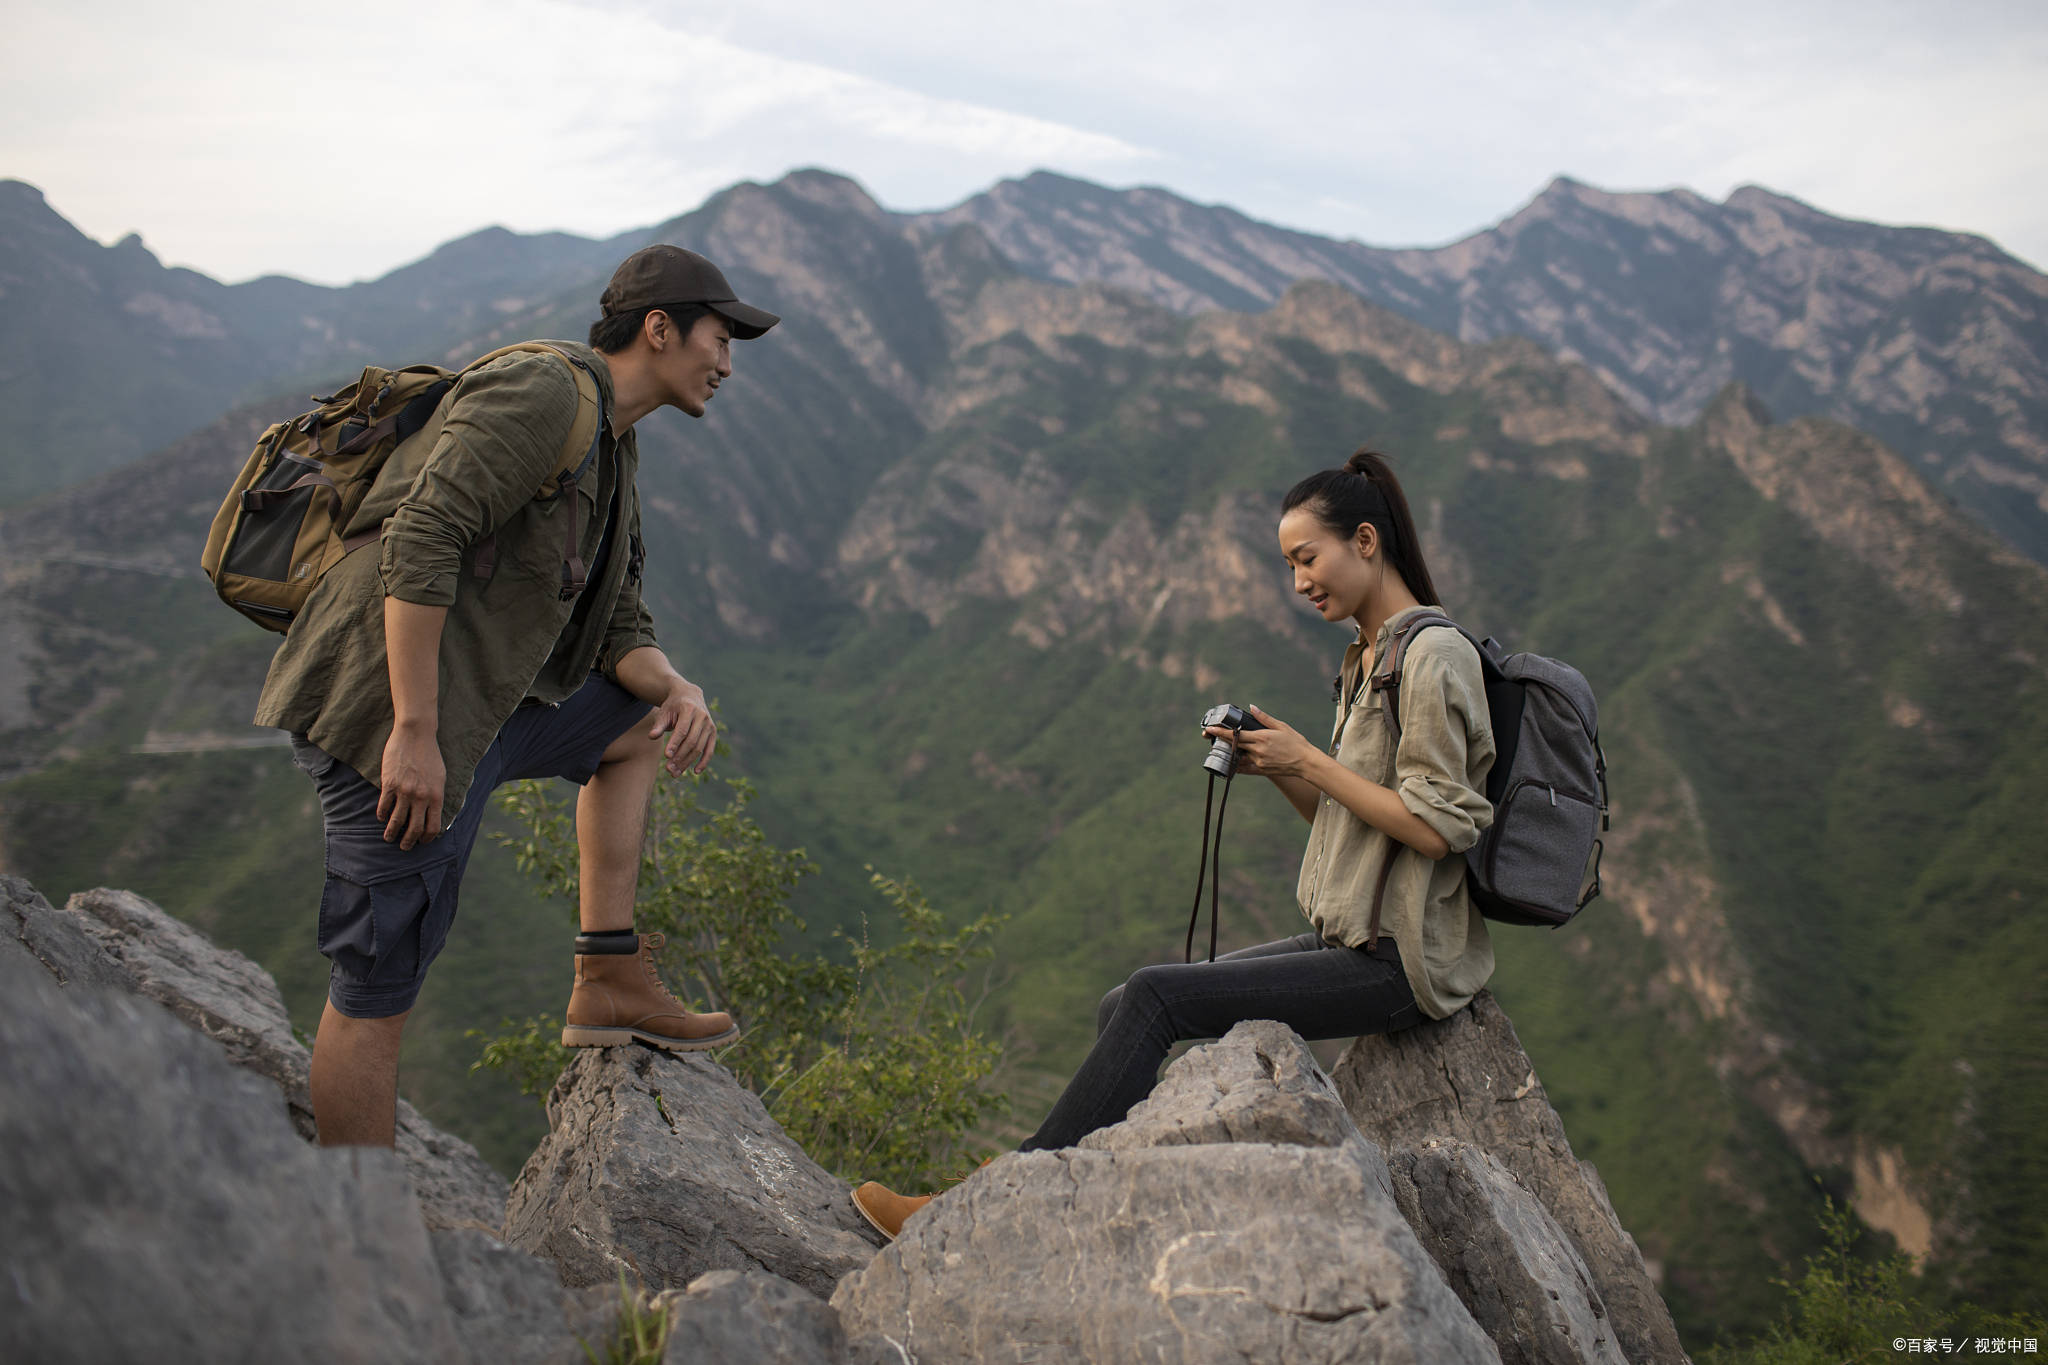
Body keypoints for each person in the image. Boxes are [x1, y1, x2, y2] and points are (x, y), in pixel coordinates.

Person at [850, 447, 1498, 1239]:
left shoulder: (1433, 656)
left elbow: (1438, 829)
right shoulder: (1370, 658)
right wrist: (1281, 765)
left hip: (1402, 960)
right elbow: (1358, 829)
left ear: (1365, 540)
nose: (1299, 581)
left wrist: (1313, 761)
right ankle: (1092, 1186)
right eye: (1289, 564)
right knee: (1124, 1001)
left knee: (1160, 993)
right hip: (1352, 928)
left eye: (1307, 557)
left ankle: (1001, 1206)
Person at [254, 245, 780, 1147]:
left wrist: (679, 686)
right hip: (384, 714)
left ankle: (606, 974)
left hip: (485, 713)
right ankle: (364, 1249)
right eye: (719, 339)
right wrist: (414, 733)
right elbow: (420, 535)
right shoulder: (545, 394)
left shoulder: (614, 446)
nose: (727, 364)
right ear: (659, 329)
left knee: (637, 726)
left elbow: (619, 626)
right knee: (375, 998)